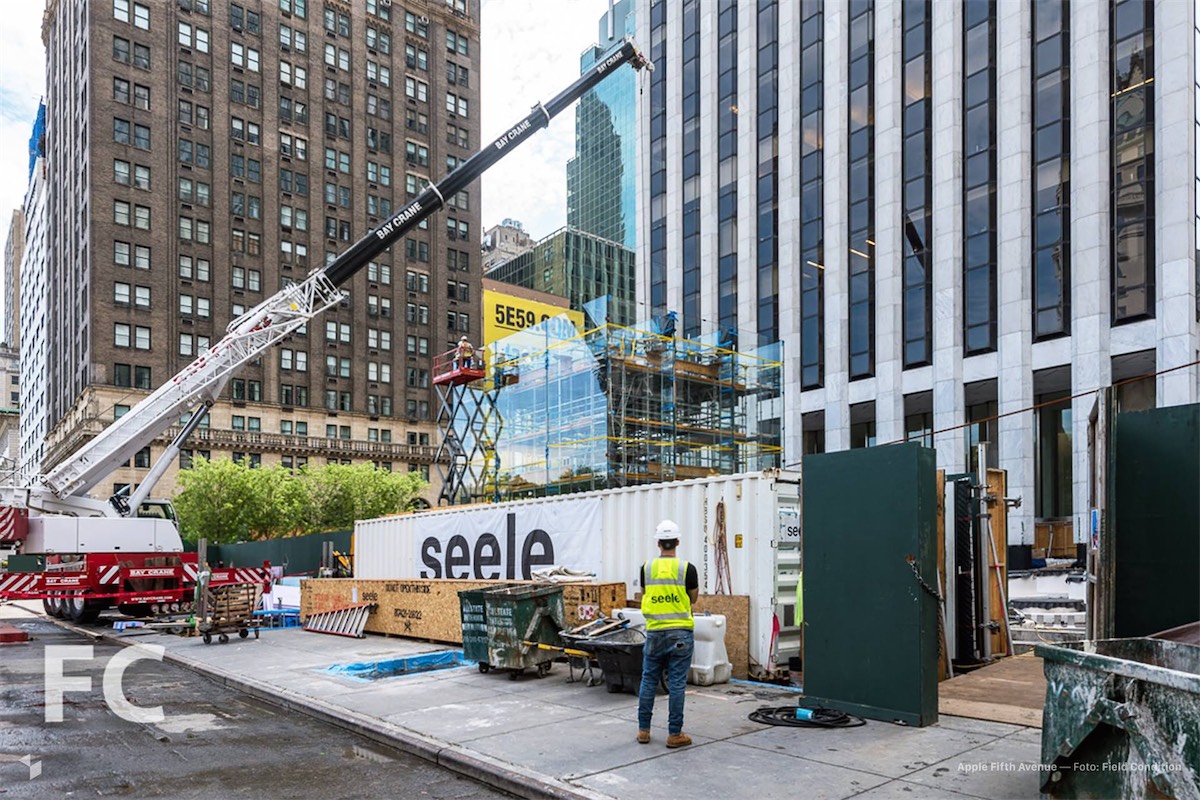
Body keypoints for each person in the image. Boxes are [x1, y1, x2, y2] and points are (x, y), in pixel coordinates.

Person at [635, 519, 698, 748]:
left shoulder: (646, 568)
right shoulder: (687, 568)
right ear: (677, 542)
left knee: (648, 680)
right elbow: (693, 598)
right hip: (680, 633)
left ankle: (643, 730)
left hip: (654, 632)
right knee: (677, 683)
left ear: (658, 543)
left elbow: (644, 593)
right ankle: (674, 734)